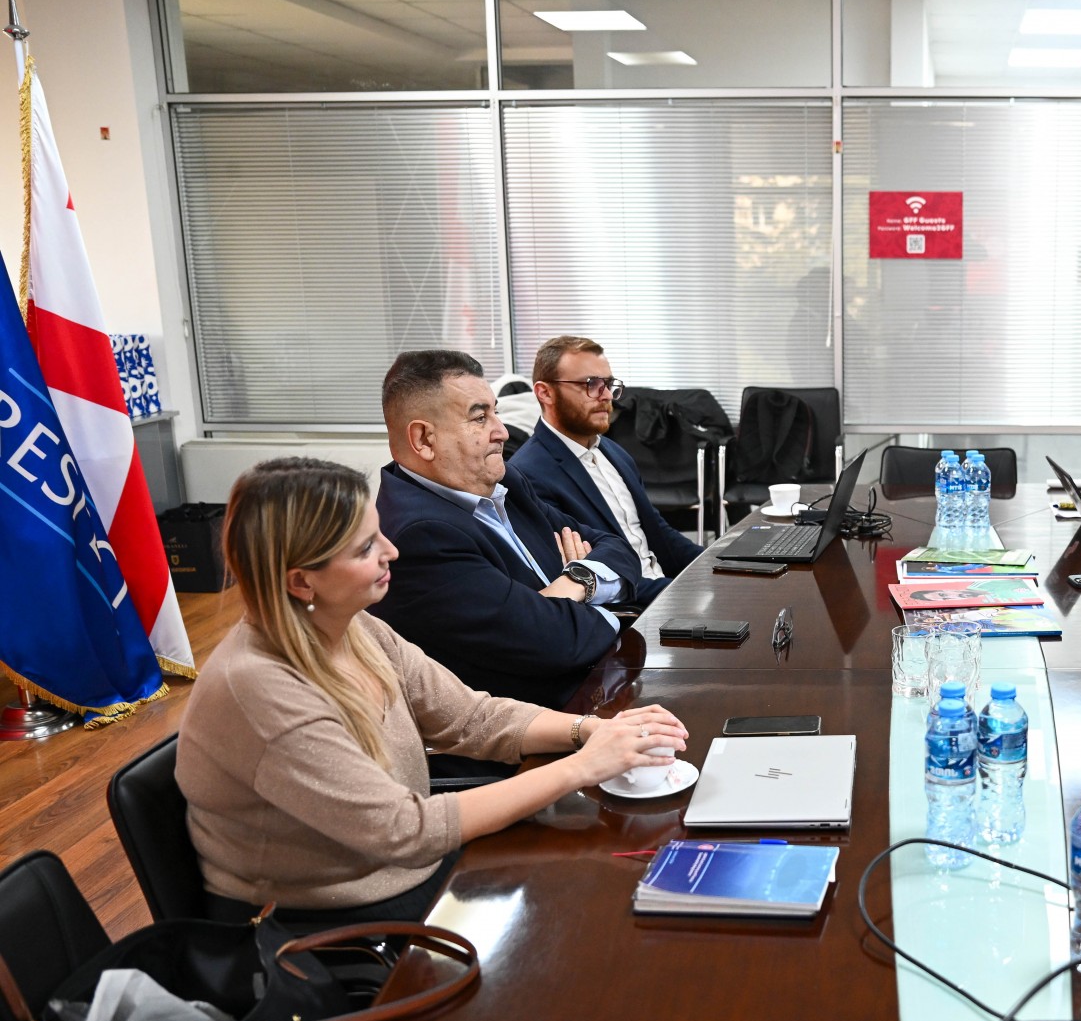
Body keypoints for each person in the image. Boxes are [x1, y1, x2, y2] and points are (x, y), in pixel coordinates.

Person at [177, 458, 687, 921]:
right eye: (366, 548)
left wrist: (591, 730)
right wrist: (582, 766)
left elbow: (469, 718)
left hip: (402, 872)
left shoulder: (354, 627)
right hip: (327, 922)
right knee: (592, 904)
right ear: (301, 583)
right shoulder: (262, 688)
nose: (392, 551)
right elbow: (405, 831)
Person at [370, 349, 647, 709]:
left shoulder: (504, 481)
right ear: (424, 440)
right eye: (479, 417)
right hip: (541, 721)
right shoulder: (419, 537)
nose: (501, 432)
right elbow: (556, 643)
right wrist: (593, 604)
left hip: (602, 679)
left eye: (495, 412)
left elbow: (617, 548)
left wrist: (577, 581)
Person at [507, 335, 702, 613]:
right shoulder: (528, 475)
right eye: (591, 384)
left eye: (608, 384)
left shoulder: (612, 451)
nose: (607, 396)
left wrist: (715, 563)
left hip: (665, 589)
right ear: (545, 393)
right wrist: (686, 591)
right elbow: (595, 576)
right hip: (631, 611)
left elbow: (658, 534)